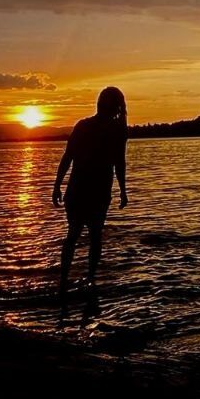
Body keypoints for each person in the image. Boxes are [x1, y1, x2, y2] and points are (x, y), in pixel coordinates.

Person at [52, 86, 129, 306]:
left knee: (75, 235)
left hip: (82, 190)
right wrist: (123, 190)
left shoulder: (87, 126)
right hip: (92, 190)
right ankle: (88, 281)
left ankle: (67, 283)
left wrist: (57, 185)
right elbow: (119, 163)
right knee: (92, 236)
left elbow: (68, 157)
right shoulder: (115, 130)